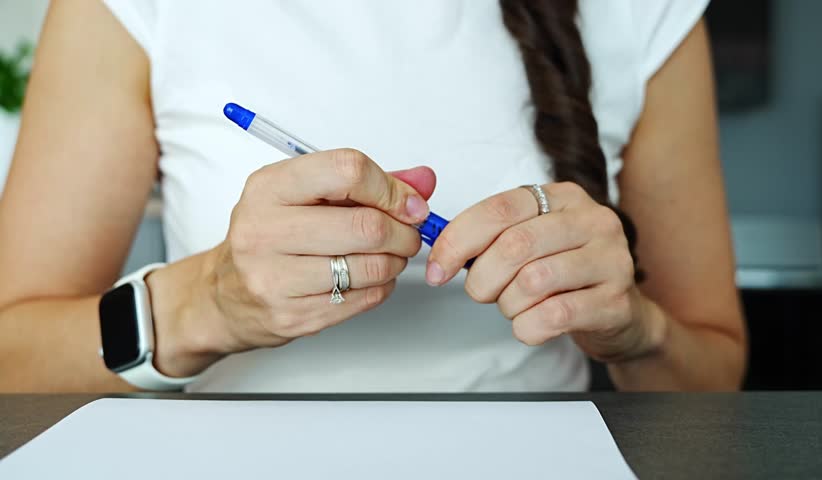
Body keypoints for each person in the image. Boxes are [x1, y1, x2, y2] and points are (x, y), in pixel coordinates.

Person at [0, 0, 745, 392]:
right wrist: (205, 304)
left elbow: (714, 381)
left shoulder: (647, 10)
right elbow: (13, 356)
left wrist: (634, 328)